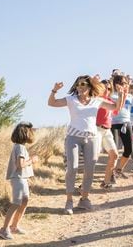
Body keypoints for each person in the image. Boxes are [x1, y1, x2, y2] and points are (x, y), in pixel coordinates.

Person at [48, 75, 124, 214]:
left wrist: (120, 95)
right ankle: (69, 201)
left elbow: (115, 107)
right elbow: (52, 103)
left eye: (83, 84)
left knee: (90, 169)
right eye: (78, 84)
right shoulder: (71, 100)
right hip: (73, 137)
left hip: (92, 138)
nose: (80, 87)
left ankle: (84, 199)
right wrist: (54, 90)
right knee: (72, 168)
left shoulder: (97, 100)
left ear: (89, 87)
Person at [0, 122, 38, 240]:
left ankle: (14, 226)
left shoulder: (19, 147)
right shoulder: (20, 148)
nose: (32, 134)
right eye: (30, 132)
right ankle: (4, 229)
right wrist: (32, 160)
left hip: (21, 179)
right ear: (26, 134)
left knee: (24, 201)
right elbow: (20, 165)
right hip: (18, 179)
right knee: (17, 203)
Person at [95, 79, 119, 189]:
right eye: (104, 88)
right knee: (93, 158)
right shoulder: (96, 100)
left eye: (109, 89)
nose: (107, 91)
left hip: (107, 130)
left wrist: (122, 94)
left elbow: (117, 109)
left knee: (114, 155)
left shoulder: (109, 101)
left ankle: (106, 182)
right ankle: (84, 185)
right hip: (97, 129)